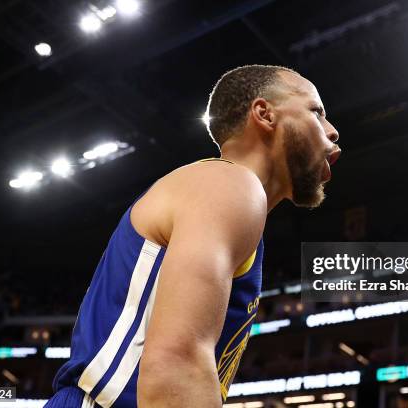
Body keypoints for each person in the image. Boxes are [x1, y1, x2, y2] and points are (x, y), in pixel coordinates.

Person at [44, 64, 341, 408]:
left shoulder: (228, 198)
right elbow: (176, 363)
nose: (332, 131)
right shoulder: (229, 184)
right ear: (264, 114)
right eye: (316, 112)